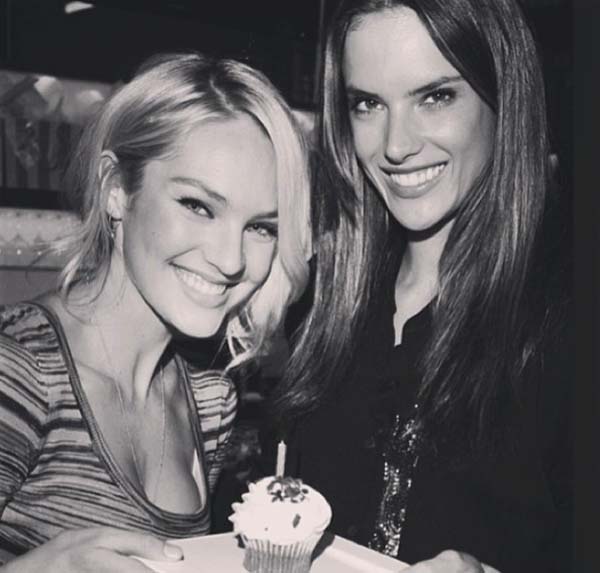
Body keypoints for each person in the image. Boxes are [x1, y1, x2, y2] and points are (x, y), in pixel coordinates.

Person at [269, 1, 572, 572]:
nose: (395, 144)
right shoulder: (319, 304)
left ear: (503, 99)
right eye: (368, 104)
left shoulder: (564, 321)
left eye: (435, 97)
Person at [0, 52, 311, 571]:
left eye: (261, 227)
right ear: (116, 190)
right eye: (198, 206)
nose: (231, 260)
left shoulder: (210, 398)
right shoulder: (19, 374)